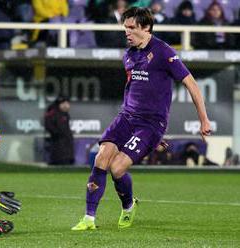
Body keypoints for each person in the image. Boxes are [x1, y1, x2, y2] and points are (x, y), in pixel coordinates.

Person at [71, 7, 211, 231]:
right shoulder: (129, 54)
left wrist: (203, 120)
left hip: (150, 124)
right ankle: (89, 218)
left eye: (131, 28)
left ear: (145, 27)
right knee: (101, 159)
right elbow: (133, 88)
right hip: (126, 117)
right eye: (124, 27)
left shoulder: (164, 52)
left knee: (117, 169)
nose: (126, 32)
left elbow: (191, 84)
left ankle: (128, 206)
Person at [44, 96, 74, 165]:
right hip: (58, 148)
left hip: (67, 149)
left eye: (67, 104)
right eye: (64, 104)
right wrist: (57, 134)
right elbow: (48, 125)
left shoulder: (66, 115)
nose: (66, 106)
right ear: (60, 104)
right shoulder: (53, 113)